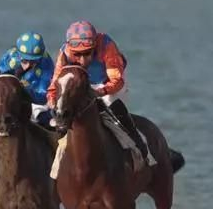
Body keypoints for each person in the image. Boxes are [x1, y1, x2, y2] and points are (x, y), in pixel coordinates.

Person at [47, 20, 154, 168]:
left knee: (112, 107)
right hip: (81, 85)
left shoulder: (107, 46)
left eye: (87, 53)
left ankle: (141, 148)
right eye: (77, 55)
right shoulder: (65, 52)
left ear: (95, 45)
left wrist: (99, 92)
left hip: (108, 85)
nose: (83, 60)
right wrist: (53, 102)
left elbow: (117, 80)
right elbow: (56, 82)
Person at [0, 31, 56, 128]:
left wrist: (23, 86)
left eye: (33, 62)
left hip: (35, 101)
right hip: (9, 103)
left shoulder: (45, 62)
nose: (28, 65)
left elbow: (43, 97)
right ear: (19, 55)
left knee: (47, 118)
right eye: (25, 61)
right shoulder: (11, 57)